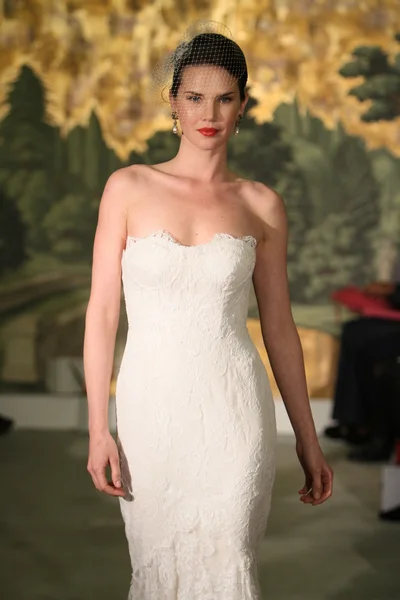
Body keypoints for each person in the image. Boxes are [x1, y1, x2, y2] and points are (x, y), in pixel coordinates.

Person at [83, 22, 333, 599]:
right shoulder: (128, 187)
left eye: (224, 98)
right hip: (150, 414)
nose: (209, 113)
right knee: (157, 560)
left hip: (234, 414)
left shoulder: (261, 204)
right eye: (194, 97)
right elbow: (101, 315)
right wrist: (99, 428)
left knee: (229, 558)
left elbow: (279, 328)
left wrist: (307, 437)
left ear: (242, 104)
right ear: (173, 102)